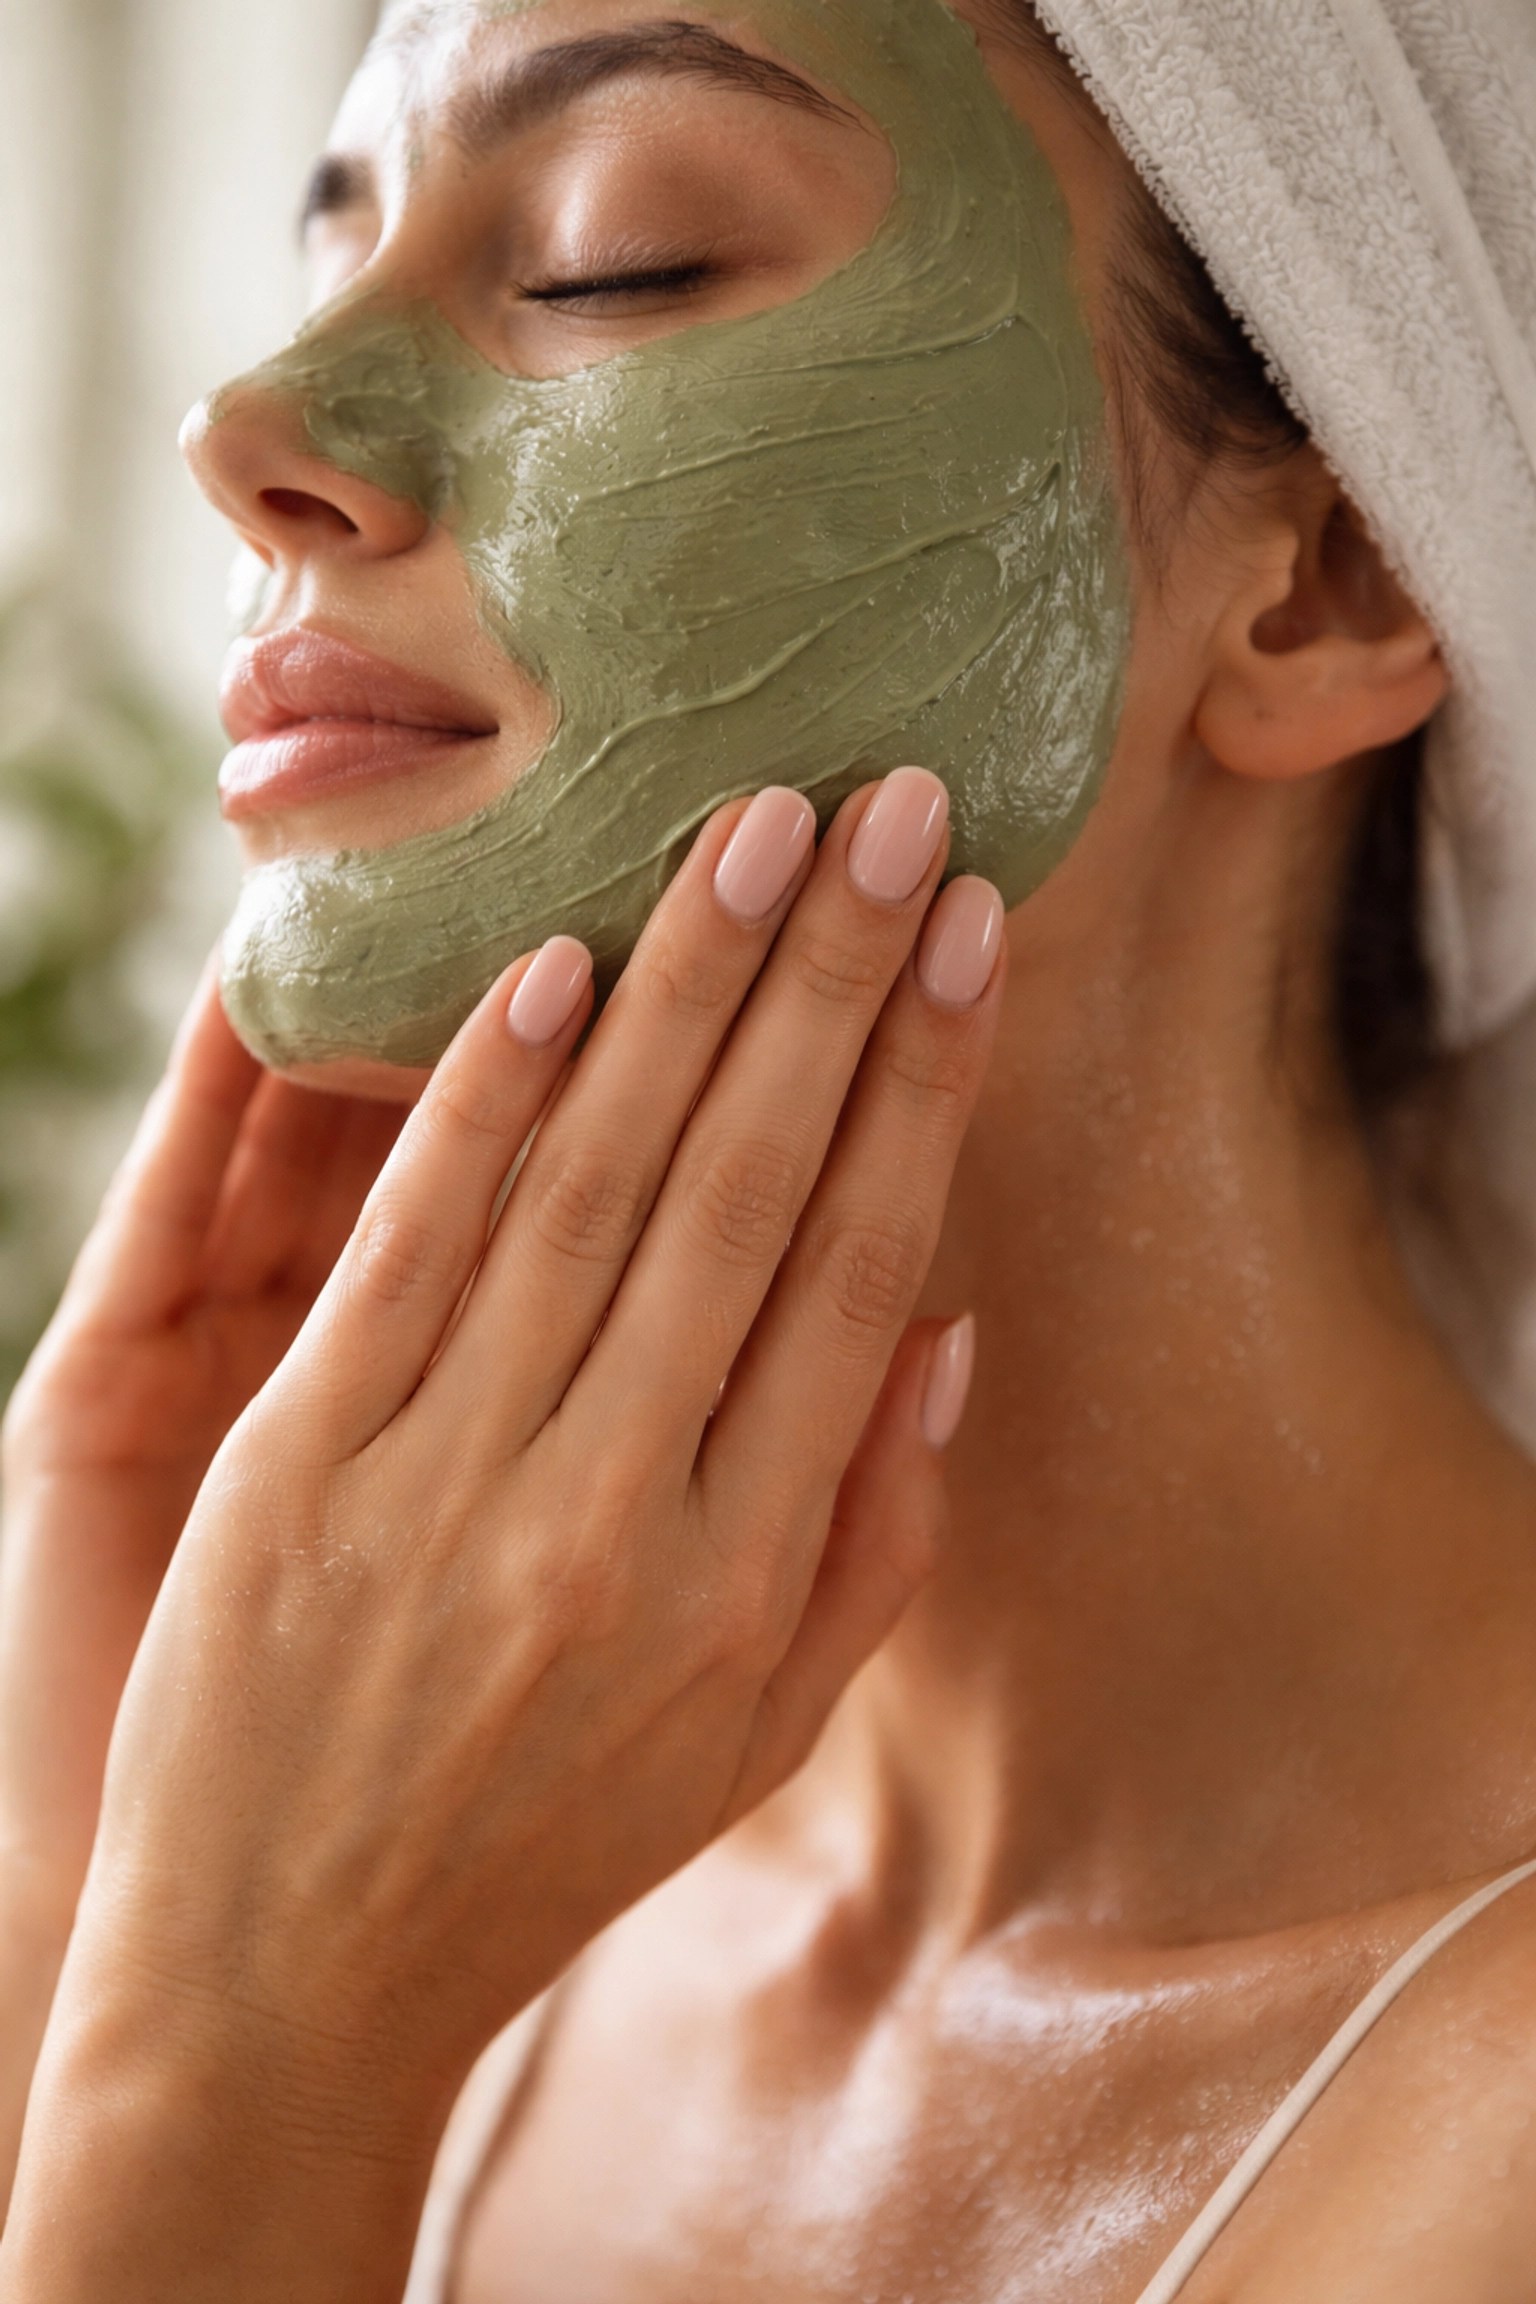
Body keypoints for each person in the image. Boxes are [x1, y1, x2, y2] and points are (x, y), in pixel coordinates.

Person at [2, 2, 1535, 2298]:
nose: (247, 435)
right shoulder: (389, 1847)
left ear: (1330, 578)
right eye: (328, 258)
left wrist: (239, 2068)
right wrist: (77, 1895)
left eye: (616, 259)